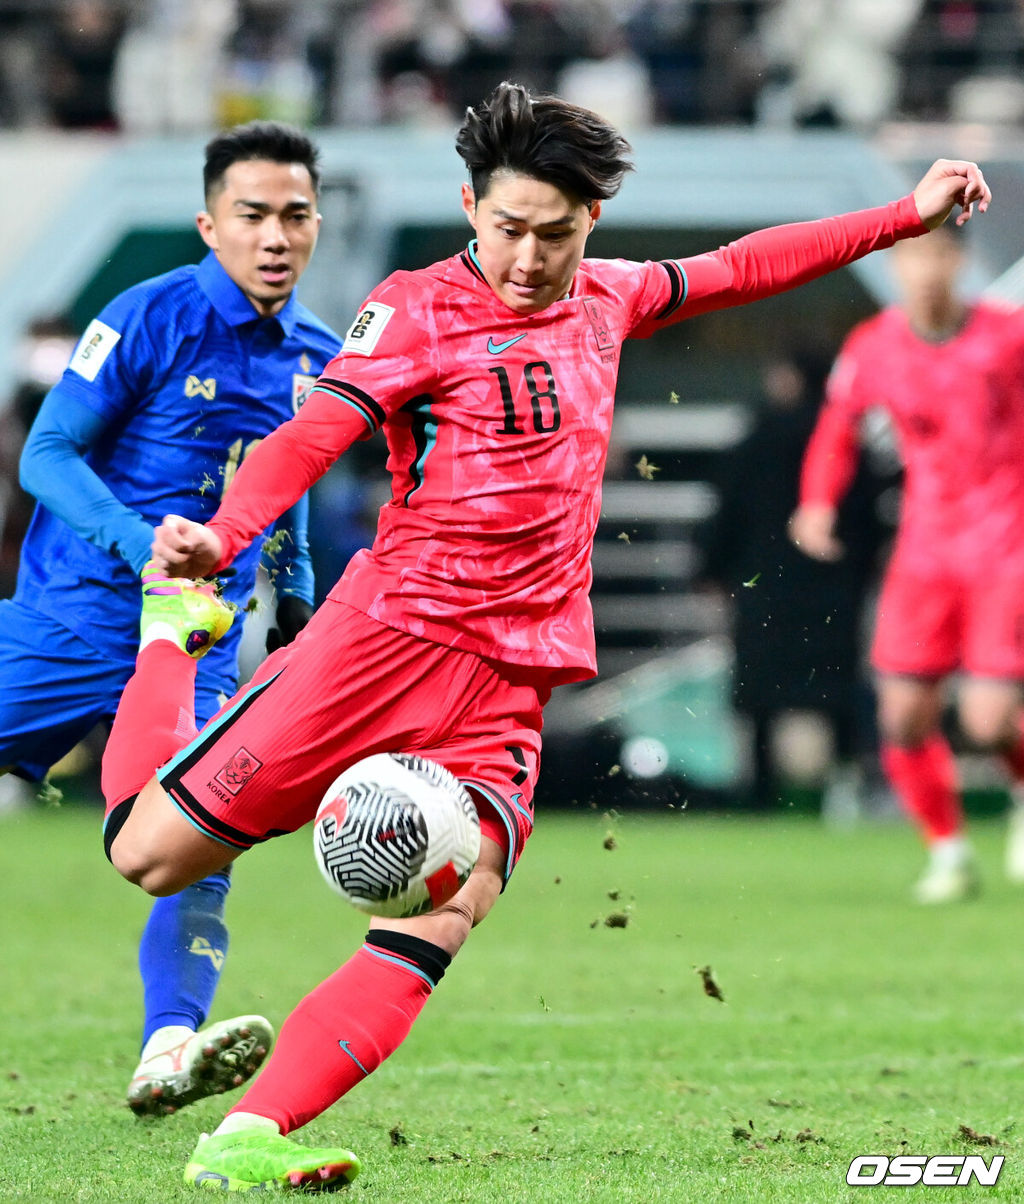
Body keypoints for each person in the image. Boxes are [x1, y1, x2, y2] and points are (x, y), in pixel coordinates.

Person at [101, 81, 989, 1191]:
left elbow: (745, 264)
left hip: (512, 680)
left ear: (591, 226)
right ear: (471, 208)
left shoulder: (608, 298)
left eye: (555, 234)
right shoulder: (412, 309)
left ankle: (246, 1137)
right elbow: (312, 434)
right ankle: (168, 636)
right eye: (508, 228)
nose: (528, 256)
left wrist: (899, 217)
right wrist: (223, 541)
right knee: (148, 854)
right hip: (385, 641)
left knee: (450, 902)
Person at [1, 120, 341, 1114]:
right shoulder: (145, 315)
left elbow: (289, 491)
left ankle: (168, 1048)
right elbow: (47, 451)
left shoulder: (319, 355)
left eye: (295, 214)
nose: (276, 236)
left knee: (196, 838)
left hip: (194, 644)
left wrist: (301, 599)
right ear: (209, 223)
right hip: (73, 618)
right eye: (253, 216)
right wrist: (131, 540)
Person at [789, 225, 1024, 904]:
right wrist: (816, 503)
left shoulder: (1006, 337)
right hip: (924, 551)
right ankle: (949, 853)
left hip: (1005, 544)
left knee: (985, 721)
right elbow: (838, 429)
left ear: (960, 262)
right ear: (895, 266)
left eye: (937, 255)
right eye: (912, 256)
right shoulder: (873, 347)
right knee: (903, 717)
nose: (924, 270)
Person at [696, 345, 890, 812]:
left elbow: (725, 513)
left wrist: (710, 570)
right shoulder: (846, 443)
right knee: (838, 688)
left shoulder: (754, 438)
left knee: (759, 693)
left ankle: (760, 790)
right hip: (832, 587)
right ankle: (851, 787)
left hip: (762, 587)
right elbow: (870, 520)